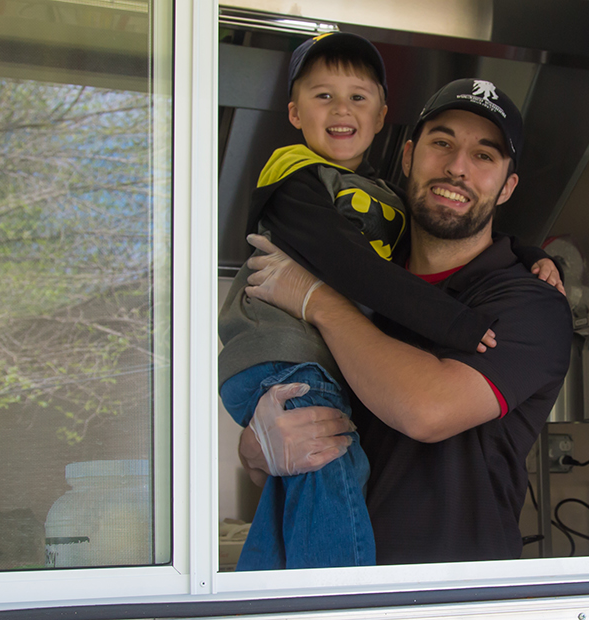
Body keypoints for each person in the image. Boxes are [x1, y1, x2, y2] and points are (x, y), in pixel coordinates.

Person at [217, 34, 561, 570]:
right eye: (440, 143)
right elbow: (297, 446)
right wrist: (256, 447)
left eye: (484, 155)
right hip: (321, 577)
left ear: (508, 186)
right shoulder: (373, 271)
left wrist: (319, 302)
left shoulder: (525, 301)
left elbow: (425, 410)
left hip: (448, 595)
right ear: (407, 155)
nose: (457, 168)